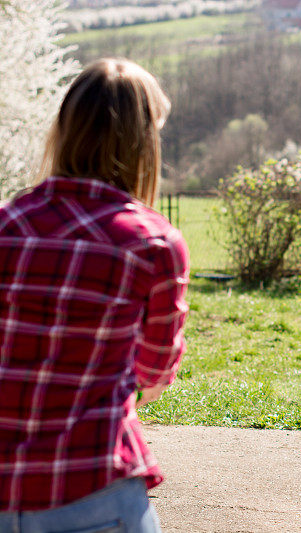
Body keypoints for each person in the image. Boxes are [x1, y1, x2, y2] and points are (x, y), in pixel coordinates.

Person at [0, 58, 188, 532]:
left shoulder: (7, 226)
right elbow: (155, 372)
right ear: (145, 142)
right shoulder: (154, 244)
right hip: (92, 484)